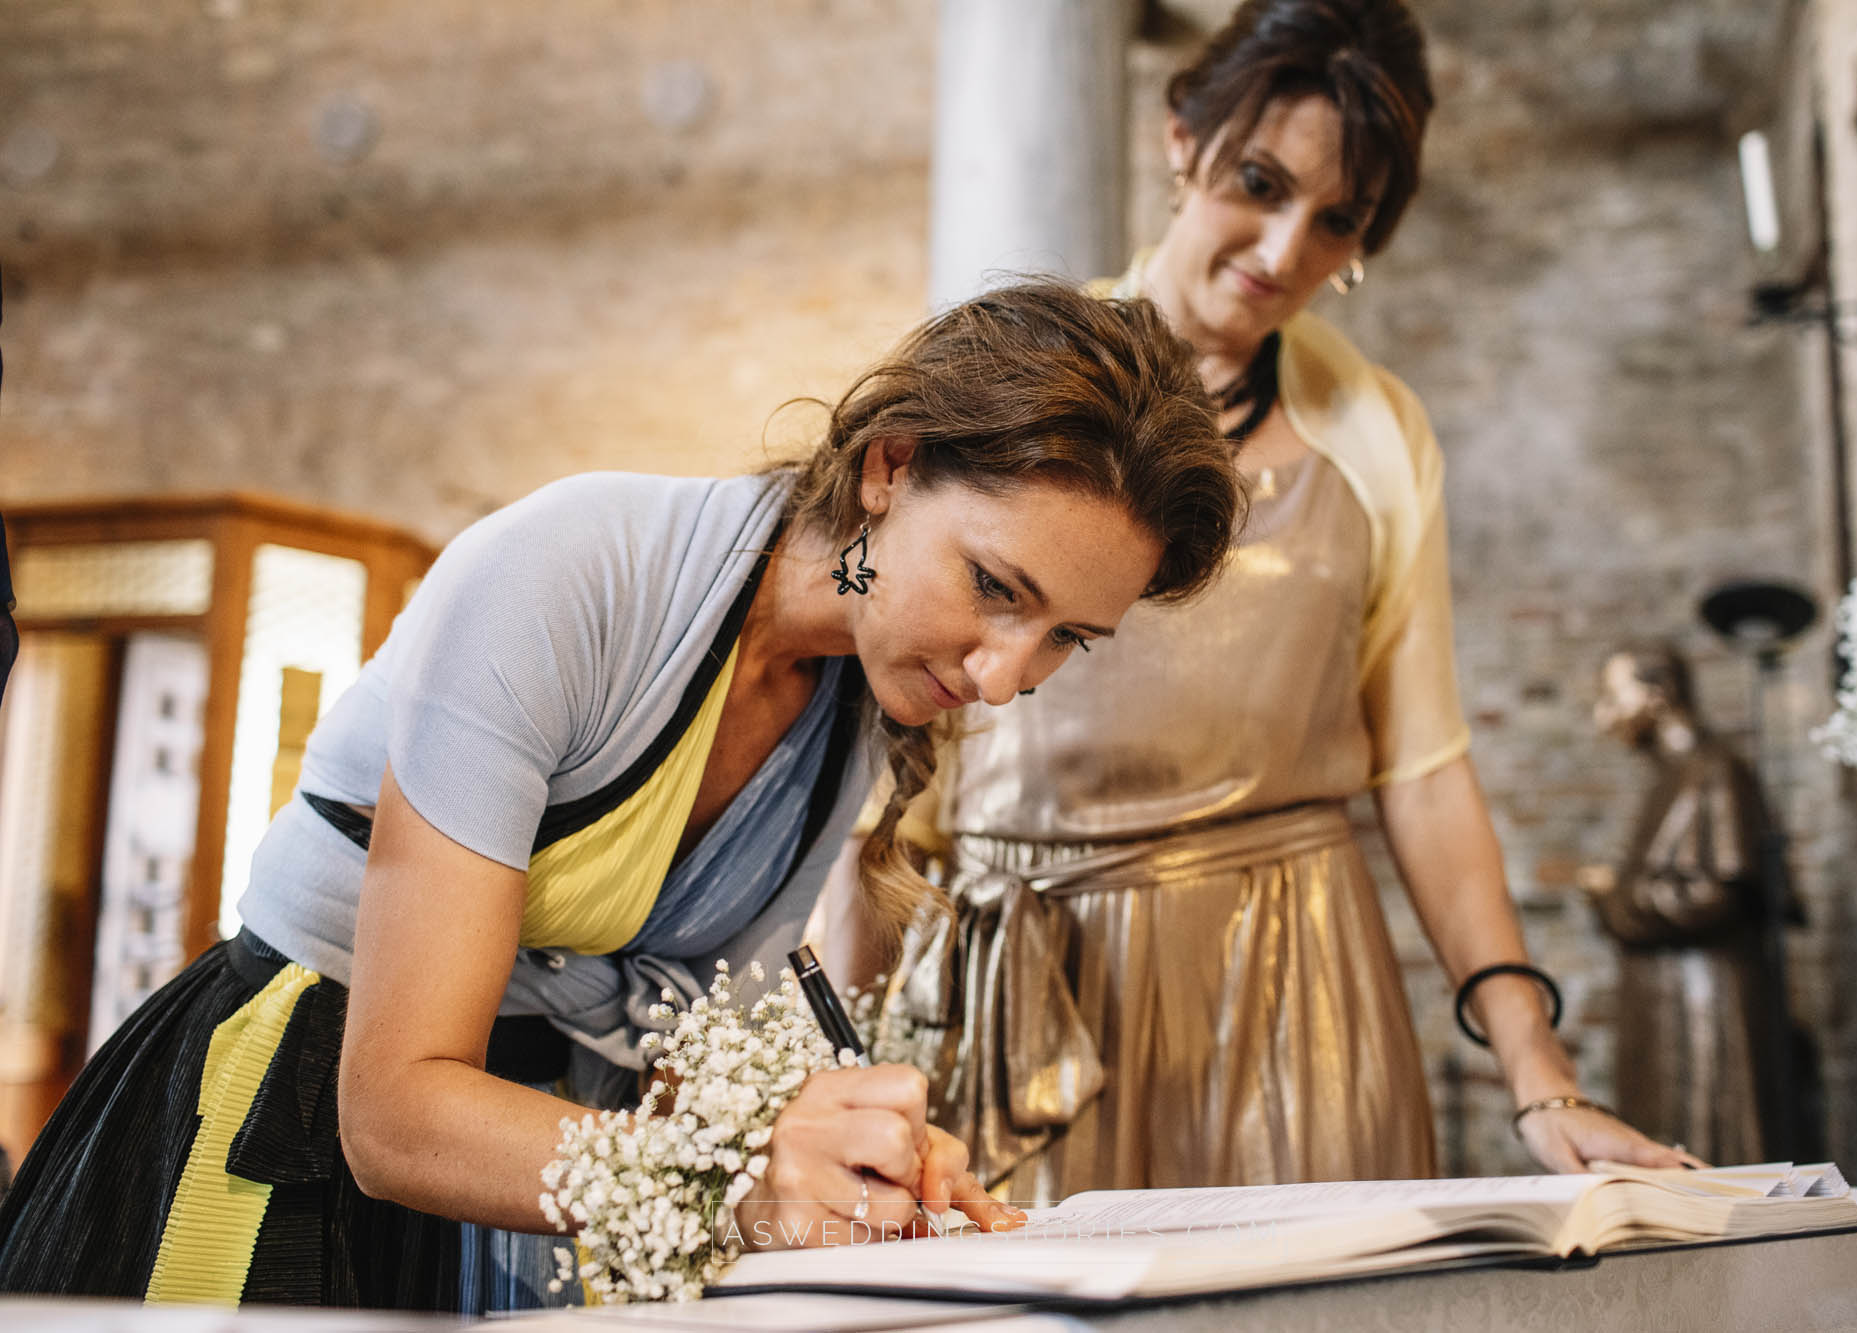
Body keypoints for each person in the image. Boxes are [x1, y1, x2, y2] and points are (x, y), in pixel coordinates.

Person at [0, 279, 1244, 1309]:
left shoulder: (855, 713)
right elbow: (387, 1114)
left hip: (529, 1191)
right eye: (993, 586)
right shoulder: (560, 575)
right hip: (284, 1144)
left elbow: (670, 1069)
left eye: (1067, 639)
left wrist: (846, 1161)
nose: (1004, 677)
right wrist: (738, 1176)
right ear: (888, 467)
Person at [848, 0, 1694, 1202]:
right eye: (1260, 181)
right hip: (1025, 991)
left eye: (1335, 221)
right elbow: (890, 763)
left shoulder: (1377, 434)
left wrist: (1538, 1074)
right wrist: (811, 1073)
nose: (1283, 249)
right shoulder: (1018, 377)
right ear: (1179, 137)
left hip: (1291, 992)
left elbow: (1425, 771)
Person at [1579, 643, 1786, 1166]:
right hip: (1665, 997)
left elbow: (1716, 893)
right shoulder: (1670, 776)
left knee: (1711, 1155)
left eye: (1613, 695)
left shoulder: (1713, 769)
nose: (1604, 715)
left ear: (1656, 694)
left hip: (1704, 1002)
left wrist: (1614, 895)